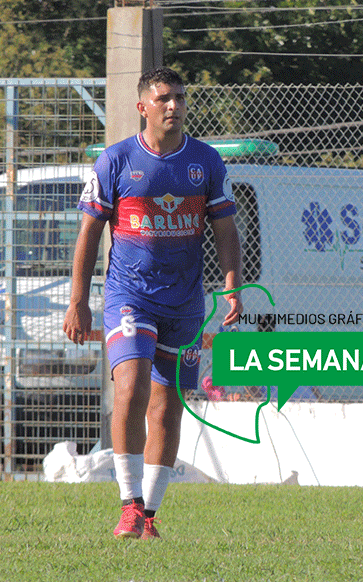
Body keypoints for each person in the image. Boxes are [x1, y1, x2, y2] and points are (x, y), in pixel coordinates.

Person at [63, 67, 242, 540]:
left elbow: (225, 229)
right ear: (143, 106)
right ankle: (128, 504)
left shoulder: (206, 162)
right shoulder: (116, 160)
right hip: (129, 296)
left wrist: (231, 286)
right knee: (132, 384)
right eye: (164, 98)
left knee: (167, 407)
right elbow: (89, 232)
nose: (174, 106)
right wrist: (78, 300)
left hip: (184, 302)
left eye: (180, 98)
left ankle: (149, 517)